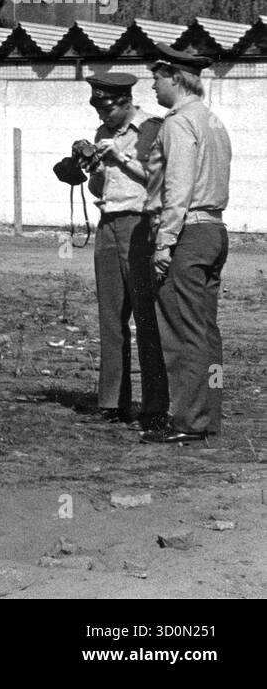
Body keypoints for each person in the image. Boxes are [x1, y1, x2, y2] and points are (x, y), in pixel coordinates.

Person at [141, 45, 232, 444]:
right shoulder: (212, 122)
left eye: (157, 77)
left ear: (175, 79)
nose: (153, 85)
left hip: (188, 233)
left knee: (182, 332)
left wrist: (164, 244)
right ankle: (206, 416)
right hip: (214, 230)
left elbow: (177, 187)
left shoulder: (177, 124)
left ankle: (189, 422)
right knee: (206, 330)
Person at [78, 73, 166, 428]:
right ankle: (113, 402)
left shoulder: (150, 129)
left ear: (125, 103)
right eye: (98, 110)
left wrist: (120, 158)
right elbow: (98, 187)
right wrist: (94, 168)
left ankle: (155, 404)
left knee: (146, 317)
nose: (102, 118)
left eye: (107, 110)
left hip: (140, 224)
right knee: (111, 316)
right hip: (109, 224)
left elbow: (158, 179)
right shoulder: (104, 134)